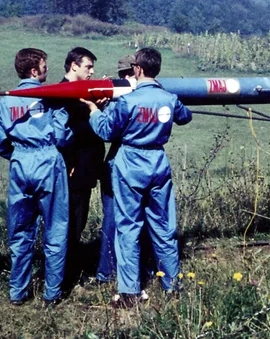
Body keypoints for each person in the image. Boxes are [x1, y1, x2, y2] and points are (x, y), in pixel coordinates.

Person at [82, 47, 192, 307]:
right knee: (164, 227)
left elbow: (107, 131)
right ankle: (171, 285)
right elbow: (185, 117)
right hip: (158, 162)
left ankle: (129, 291)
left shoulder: (128, 101)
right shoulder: (169, 98)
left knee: (129, 227)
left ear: (138, 69)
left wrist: (93, 111)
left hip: (130, 164)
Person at [0, 48, 72, 306]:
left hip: (20, 165)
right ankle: (51, 293)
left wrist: (18, 156)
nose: (48, 70)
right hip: (48, 161)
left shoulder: (6, 102)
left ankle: (17, 292)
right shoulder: (50, 99)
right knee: (55, 228)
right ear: (34, 70)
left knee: (20, 231)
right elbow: (62, 137)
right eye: (45, 66)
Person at [59, 47, 105, 288]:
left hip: (85, 169)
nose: (92, 71)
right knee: (71, 222)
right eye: (88, 66)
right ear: (74, 65)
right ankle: (67, 276)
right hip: (73, 170)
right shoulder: (63, 94)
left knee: (79, 220)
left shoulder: (83, 93)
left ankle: (69, 271)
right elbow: (64, 132)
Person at [95, 54, 136, 284]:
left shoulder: (118, 99)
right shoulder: (120, 99)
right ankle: (107, 271)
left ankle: (109, 271)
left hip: (119, 161)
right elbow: (108, 131)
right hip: (121, 162)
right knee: (113, 219)